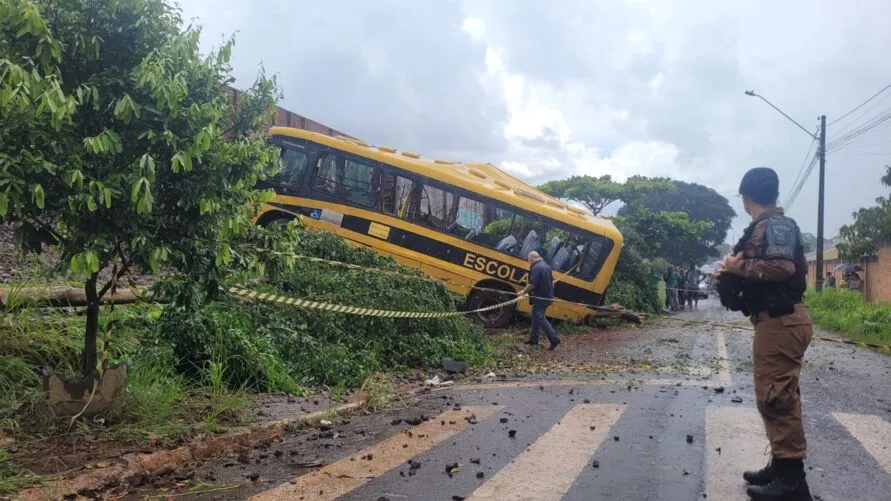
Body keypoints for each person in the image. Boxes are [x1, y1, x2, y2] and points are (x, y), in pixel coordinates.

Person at [715, 167, 813, 501]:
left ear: (746, 197)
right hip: (775, 321)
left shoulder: (774, 225)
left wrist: (734, 267)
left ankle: (792, 481)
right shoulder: (766, 228)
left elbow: (781, 269)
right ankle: (781, 465)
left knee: (777, 396)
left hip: (782, 321)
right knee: (775, 394)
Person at [519, 251, 560, 350]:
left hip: (541, 297)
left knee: (539, 316)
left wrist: (523, 292)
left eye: (528, 261)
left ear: (531, 259)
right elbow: (551, 283)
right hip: (546, 296)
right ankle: (533, 339)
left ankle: (554, 338)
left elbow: (532, 284)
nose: (529, 262)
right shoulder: (546, 266)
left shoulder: (536, 268)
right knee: (535, 316)